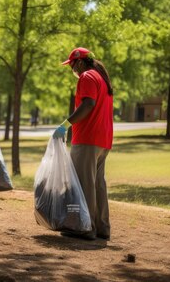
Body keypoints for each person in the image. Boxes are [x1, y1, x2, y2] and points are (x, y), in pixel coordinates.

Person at [53, 47, 113, 241]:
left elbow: (88, 104)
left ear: (79, 62)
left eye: (72, 65)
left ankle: (85, 227)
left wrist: (65, 125)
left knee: (84, 183)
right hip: (103, 139)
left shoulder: (87, 77)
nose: (73, 70)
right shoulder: (101, 78)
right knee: (98, 184)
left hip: (87, 138)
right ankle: (102, 227)